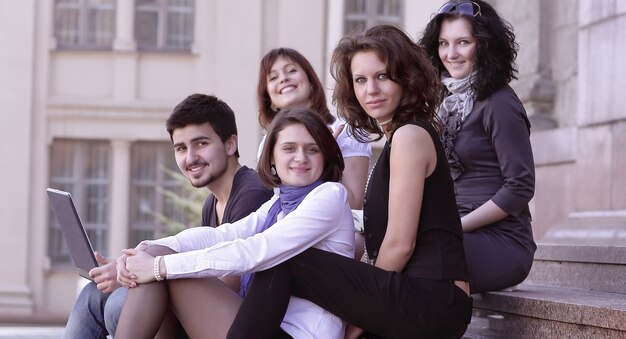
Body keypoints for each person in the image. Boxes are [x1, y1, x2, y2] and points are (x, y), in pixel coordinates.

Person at [228, 25, 472, 339]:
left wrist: (357, 322)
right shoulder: (400, 137)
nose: (371, 89)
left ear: (406, 77)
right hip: (421, 295)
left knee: (285, 259)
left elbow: (400, 244)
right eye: (360, 80)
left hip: (433, 299)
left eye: (382, 76)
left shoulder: (410, 136)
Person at [114, 107, 355, 339]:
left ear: (325, 155)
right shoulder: (278, 203)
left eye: (312, 149)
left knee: (164, 272)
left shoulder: (330, 196)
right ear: (272, 157)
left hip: (296, 334)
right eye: (289, 148)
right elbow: (225, 235)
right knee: (156, 257)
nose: (300, 157)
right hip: (261, 323)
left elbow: (256, 251)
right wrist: (144, 249)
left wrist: (158, 266)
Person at [62, 93, 272, 339]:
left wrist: (141, 274)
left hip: (235, 322)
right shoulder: (212, 203)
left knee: (112, 301)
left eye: (201, 144)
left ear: (230, 144)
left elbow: (229, 284)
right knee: (93, 294)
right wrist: (127, 269)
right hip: (196, 310)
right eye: (181, 148)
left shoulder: (252, 193)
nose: (190, 158)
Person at [419, 0, 536, 293]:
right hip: (455, 231)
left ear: (484, 45)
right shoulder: (445, 103)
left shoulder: (499, 103)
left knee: (422, 256)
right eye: (444, 43)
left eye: (463, 42)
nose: (451, 54)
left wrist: (457, 226)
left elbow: (520, 186)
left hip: (503, 241)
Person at [257, 47, 371, 258]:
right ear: (270, 99)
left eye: (291, 71)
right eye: (273, 77)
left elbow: (353, 204)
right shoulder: (267, 145)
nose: (283, 78)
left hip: (334, 248)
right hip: (284, 238)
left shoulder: (348, 133)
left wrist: (330, 153)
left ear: (310, 82)